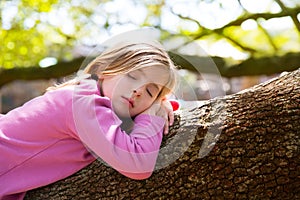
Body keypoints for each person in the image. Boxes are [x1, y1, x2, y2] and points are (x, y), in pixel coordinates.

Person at [0, 42, 178, 200]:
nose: (139, 90)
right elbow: (138, 163)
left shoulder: (88, 98)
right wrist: (153, 116)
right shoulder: (83, 105)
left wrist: (160, 107)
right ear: (103, 70)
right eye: (132, 76)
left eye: (150, 92)